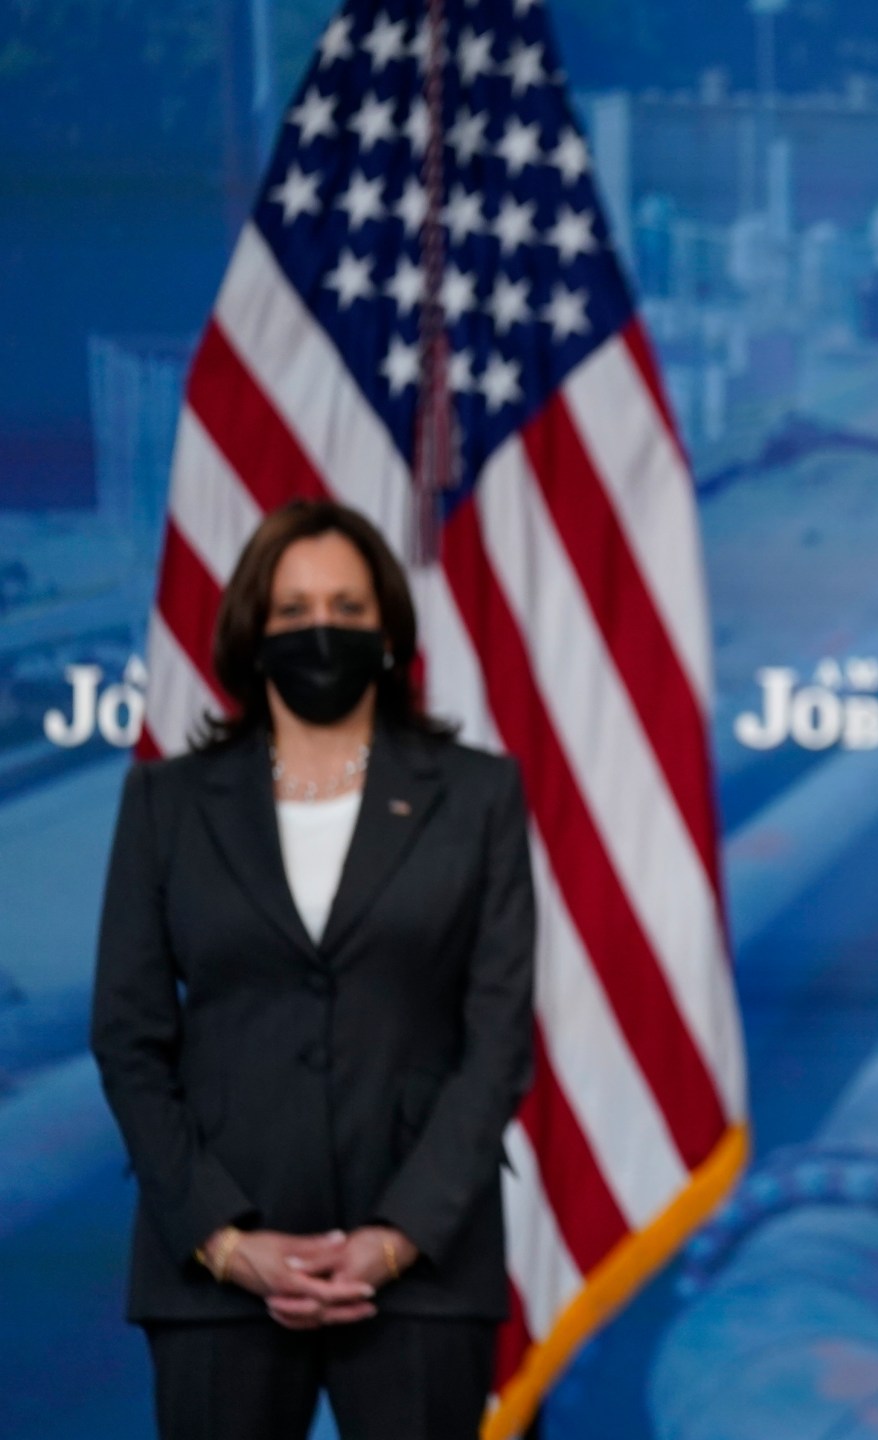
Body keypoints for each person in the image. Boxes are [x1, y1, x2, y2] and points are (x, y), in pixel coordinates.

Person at [91, 499, 534, 1439]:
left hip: (424, 1271)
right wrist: (222, 1240)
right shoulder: (164, 802)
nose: (320, 629)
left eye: (346, 605)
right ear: (253, 631)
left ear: (387, 633)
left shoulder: (479, 795)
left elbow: (498, 1037)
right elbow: (128, 1036)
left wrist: (399, 1237)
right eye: (292, 612)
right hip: (214, 1268)